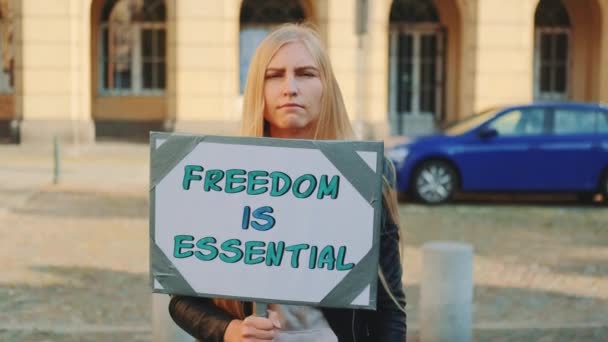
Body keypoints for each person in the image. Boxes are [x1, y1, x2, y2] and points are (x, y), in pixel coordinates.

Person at [168, 23, 406, 342]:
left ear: (327, 87)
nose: (290, 87)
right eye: (274, 75)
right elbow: (182, 299)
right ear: (258, 89)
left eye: (306, 73)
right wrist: (229, 330)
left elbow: (390, 305)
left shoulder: (367, 178)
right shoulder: (223, 178)